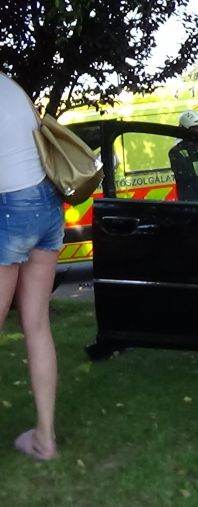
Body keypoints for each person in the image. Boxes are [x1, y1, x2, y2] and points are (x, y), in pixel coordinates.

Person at [0, 72, 64, 460]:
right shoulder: (12, 88)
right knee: (37, 325)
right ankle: (45, 438)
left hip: (11, 208)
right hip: (48, 205)